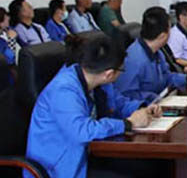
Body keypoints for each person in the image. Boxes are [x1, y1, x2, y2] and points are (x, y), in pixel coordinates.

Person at [24, 33, 159, 178]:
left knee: (148, 166)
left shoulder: (96, 77)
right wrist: (127, 124)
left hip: (89, 155)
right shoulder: (63, 90)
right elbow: (82, 131)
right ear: (109, 74)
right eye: (122, 70)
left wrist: (142, 109)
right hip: (62, 168)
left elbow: (117, 103)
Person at [115, 7, 187, 103]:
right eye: (169, 29)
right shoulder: (134, 60)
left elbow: (167, 77)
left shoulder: (157, 53)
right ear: (162, 36)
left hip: (161, 102)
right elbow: (127, 94)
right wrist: (152, 98)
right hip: (144, 107)